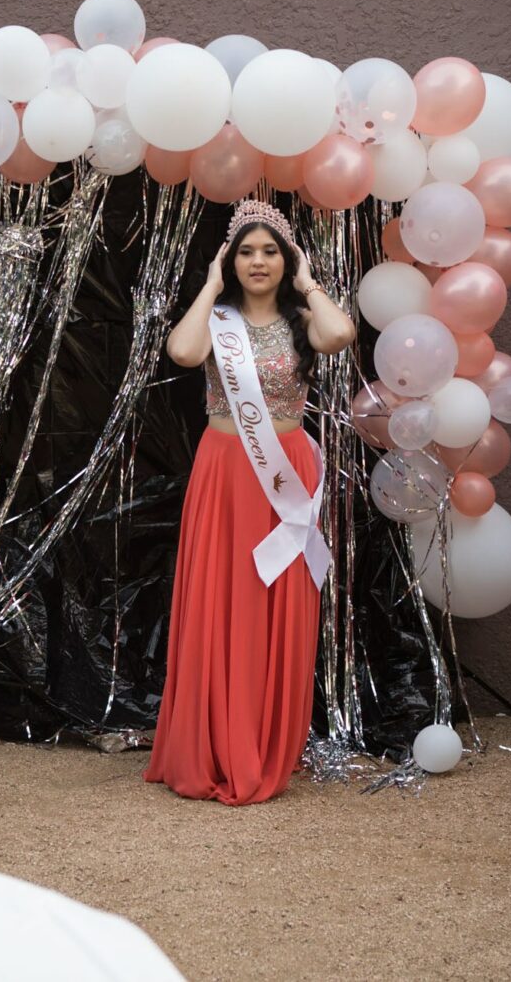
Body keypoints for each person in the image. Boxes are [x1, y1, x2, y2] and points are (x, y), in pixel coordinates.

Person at [144, 199, 356, 805]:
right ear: (229, 259)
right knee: (220, 599)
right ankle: (213, 744)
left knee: (276, 603)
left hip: (284, 472)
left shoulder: (302, 320)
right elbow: (182, 353)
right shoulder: (218, 321)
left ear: (285, 259)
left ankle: (263, 744)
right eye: (245, 251)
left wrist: (309, 283)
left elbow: (340, 333)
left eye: (269, 251)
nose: (257, 262)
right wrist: (210, 287)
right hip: (225, 472)